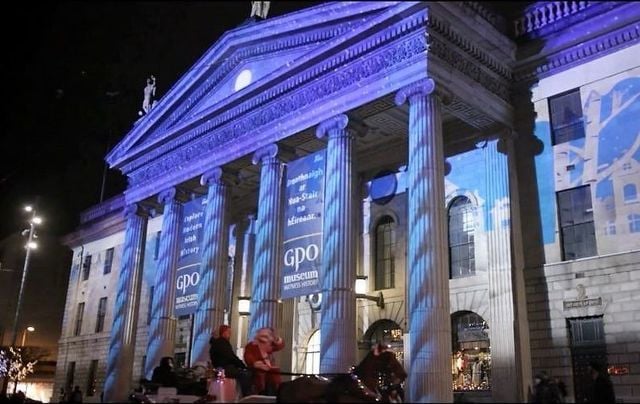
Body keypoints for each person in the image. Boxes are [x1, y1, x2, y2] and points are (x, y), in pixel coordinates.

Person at [209, 324, 252, 397]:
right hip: (225, 368)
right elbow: (231, 357)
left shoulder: (217, 343)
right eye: (229, 332)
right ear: (224, 332)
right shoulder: (222, 343)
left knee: (243, 372)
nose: (230, 335)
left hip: (221, 368)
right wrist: (243, 366)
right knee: (246, 374)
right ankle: (246, 395)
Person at [243, 327, 285, 395]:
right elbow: (248, 356)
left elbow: (280, 345)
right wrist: (254, 363)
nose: (265, 338)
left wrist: (277, 338)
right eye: (263, 335)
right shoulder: (251, 345)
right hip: (258, 375)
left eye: (267, 335)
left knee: (274, 390)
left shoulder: (269, 344)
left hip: (272, 376)